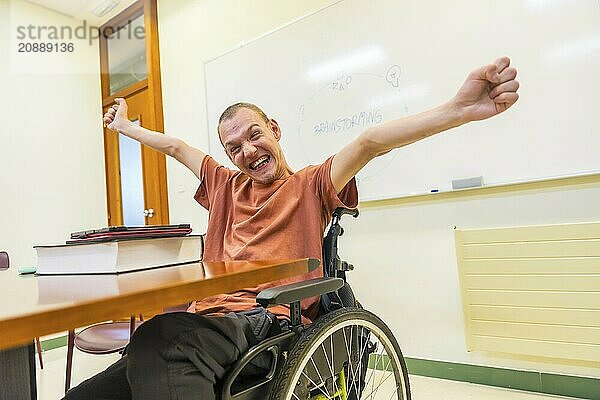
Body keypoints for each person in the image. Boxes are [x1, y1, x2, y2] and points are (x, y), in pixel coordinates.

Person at [64, 57, 519, 399]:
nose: (246, 150)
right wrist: (126, 127)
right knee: (122, 363)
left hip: (263, 319)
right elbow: (176, 146)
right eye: (233, 147)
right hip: (204, 321)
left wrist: (458, 109)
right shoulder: (224, 185)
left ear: (274, 130)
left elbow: (368, 142)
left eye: (253, 135)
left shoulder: (310, 185)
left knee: (161, 342)